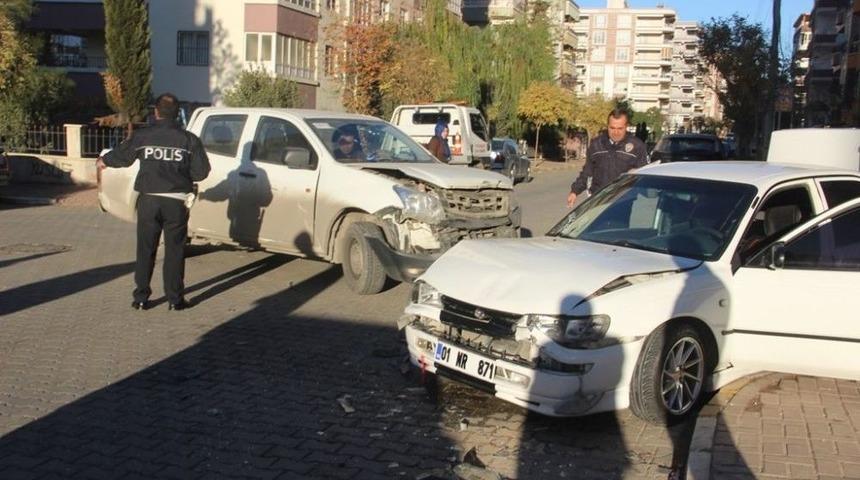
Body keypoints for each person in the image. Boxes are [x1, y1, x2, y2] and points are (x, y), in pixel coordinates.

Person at [97, 93, 211, 311]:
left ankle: (141, 298)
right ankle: (175, 300)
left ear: (156, 112)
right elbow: (201, 172)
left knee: (145, 249)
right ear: (178, 114)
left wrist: (104, 161)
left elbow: (123, 156)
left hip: (148, 201)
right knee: (175, 251)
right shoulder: (189, 140)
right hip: (177, 202)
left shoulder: (143, 136)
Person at [566, 108, 648, 208]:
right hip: (598, 199)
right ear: (607, 126)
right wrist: (575, 191)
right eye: (612, 128)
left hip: (623, 202)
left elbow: (644, 174)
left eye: (620, 128)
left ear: (626, 127)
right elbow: (587, 172)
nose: (616, 132)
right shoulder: (596, 144)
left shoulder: (637, 146)